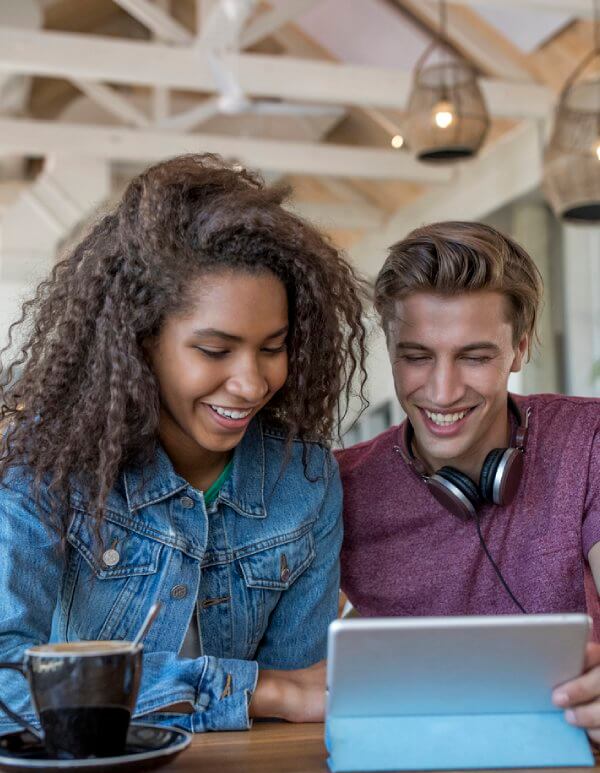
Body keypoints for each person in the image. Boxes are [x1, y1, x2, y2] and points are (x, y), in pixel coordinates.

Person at [0, 154, 367, 734]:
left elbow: (304, 694)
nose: (251, 383)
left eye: (272, 347)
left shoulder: (304, 481)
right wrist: (251, 691)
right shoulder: (49, 465)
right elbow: (3, 677)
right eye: (215, 351)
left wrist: (275, 695)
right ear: (140, 343)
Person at [337, 221, 600, 743]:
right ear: (390, 351)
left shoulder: (587, 440)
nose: (442, 390)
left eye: (475, 357)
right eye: (416, 357)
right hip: (402, 757)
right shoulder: (338, 487)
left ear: (520, 349)